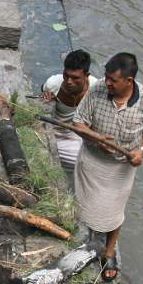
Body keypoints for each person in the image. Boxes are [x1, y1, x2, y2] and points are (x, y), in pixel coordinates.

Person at [71, 52, 143, 282]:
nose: (108, 83)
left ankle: (109, 251)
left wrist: (141, 151)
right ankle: (84, 241)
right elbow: (78, 123)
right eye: (106, 77)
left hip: (121, 168)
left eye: (113, 80)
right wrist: (96, 137)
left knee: (114, 212)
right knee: (83, 205)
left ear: (129, 81)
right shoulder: (97, 90)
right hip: (93, 161)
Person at [40, 49, 97, 190]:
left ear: (87, 75)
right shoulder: (54, 83)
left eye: (75, 78)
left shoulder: (97, 89)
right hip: (54, 131)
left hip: (76, 135)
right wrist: (45, 96)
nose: (69, 81)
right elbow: (43, 90)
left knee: (87, 163)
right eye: (66, 75)